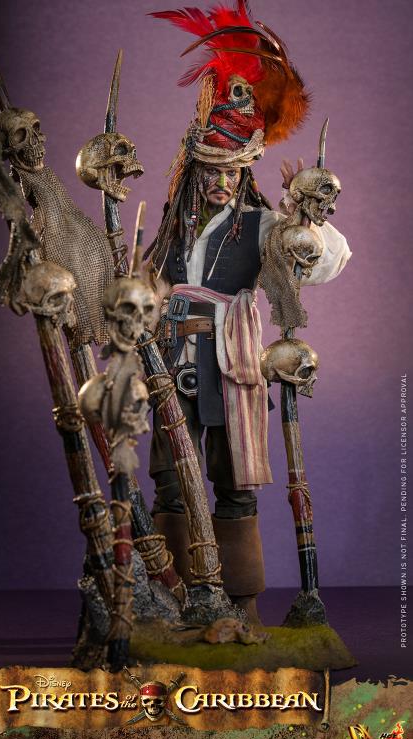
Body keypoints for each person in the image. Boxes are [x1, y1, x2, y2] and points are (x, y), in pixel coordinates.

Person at [145, 2, 351, 624]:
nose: (222, 182)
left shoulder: (264, 225)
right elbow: (147, 287)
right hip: (172, 361)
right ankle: (175, 598)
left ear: (246, 171)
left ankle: (241, 602)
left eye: (232, 172)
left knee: (233, 479)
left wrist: (307, 227)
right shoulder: (170, 226)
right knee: (170, 478)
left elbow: (322, 262)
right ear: (193, 169)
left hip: (233, 365)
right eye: (212, 170)